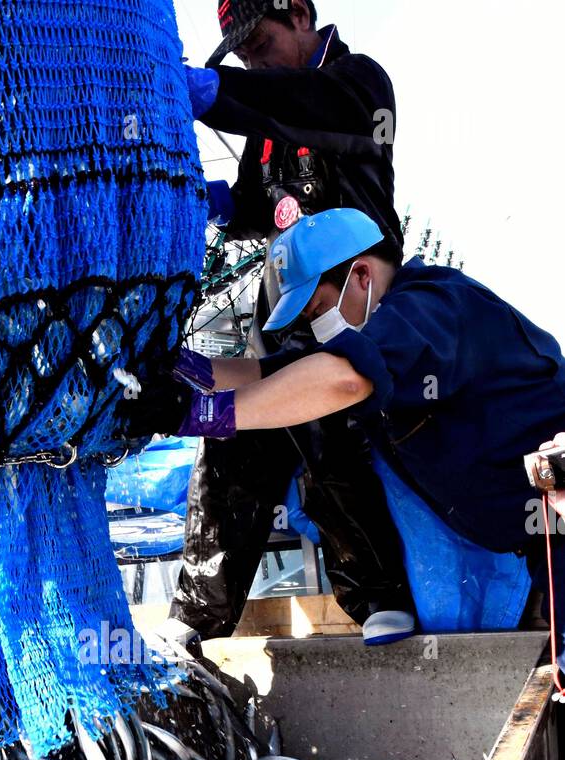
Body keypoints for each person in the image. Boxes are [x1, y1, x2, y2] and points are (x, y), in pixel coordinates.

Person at [168, 208, 565, 657]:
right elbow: (271, 372)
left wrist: (200, 414)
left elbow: (346, 379)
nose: (314, 331)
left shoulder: (431, 306)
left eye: (317, 311)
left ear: (361, 275)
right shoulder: (383, 326)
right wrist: (186, 369)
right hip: (533, 543)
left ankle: (386, 594)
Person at [171, 0, 414, 646]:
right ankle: (196, 618)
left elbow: (306, 108)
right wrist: (220, 205)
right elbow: (261, 206)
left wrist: (216, 92)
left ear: (301, 14)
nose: (252, 58)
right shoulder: (269, 122)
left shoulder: (357, 82)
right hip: (286, 306)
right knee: (233, 433)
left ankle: (378, 595)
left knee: (327, 429)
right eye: (240, 53)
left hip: (355, 301)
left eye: (260, 41)